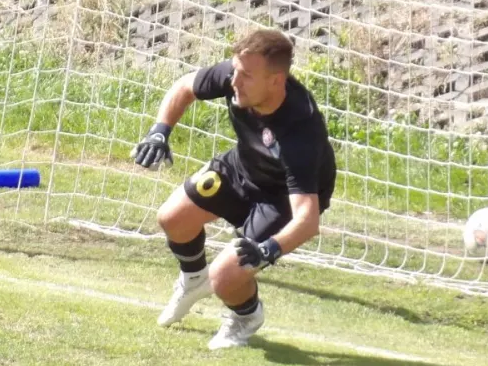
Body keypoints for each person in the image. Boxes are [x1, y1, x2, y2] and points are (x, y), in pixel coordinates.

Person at [131, 29, 337, 349]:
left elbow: (308, 220)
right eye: (236, 71)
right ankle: (193, 279)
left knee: (225, 276)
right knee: (172, 218)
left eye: (246, 76)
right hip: (242, 168)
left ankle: (246, 316)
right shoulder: (236, 75)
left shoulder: (299, 134)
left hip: (281, 200)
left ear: (276, 81)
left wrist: (267, 250)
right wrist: (160, 132)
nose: (234, 81)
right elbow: (184, 86)